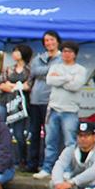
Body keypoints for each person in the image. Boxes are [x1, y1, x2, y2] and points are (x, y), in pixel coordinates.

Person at [38, 40, 87, 177]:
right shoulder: (55, 67)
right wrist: (68, 78)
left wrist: (61, 79)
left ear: (75, 54)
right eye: (64, 51)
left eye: (69, 51)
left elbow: (75, 86)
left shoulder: (80, 70)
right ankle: (47, 168)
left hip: (70, 110)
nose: (66, 54)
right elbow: (50, 80)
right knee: (50, 141)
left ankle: (68, 170)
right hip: (53, 108)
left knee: (70, 142)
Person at [26, 31, 60, 173]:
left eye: (51, 40)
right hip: (35, 99)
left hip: (51, 100)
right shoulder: (39, 57)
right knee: (34, 133)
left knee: (50, 135)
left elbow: (59, 71)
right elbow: (33, 71)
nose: (49, 43)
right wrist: (49, 71)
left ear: (57, 41)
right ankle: (32, 164)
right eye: (46, 40)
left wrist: (44, 72)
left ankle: (49, 165)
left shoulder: (61, 58)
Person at [0, 42, 33, 167]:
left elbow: (28, 86)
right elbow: (1, 84)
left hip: (19, 105)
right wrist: (15, 87)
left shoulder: (29, 70)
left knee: (19, 133)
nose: (14, 54)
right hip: (4, 102)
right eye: (14, 51)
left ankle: (22, 160)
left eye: (17, 51)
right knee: (1, 129)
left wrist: (12, 85)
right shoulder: (8, 69)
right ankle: (0, 158)